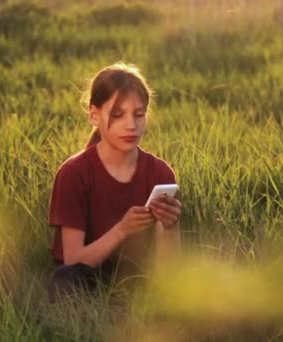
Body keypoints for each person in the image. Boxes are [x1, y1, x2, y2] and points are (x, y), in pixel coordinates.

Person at [46, 62, 183, 302]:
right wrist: (122, 230)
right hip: (86, 275)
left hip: (136, 277)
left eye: (139, 114)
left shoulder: (160, 173)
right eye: (118, 115)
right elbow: (72, 260)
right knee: (63, 280)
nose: (131, 125)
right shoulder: (74, 173)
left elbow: (169, 270)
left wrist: (171, 227)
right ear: (94, 115)